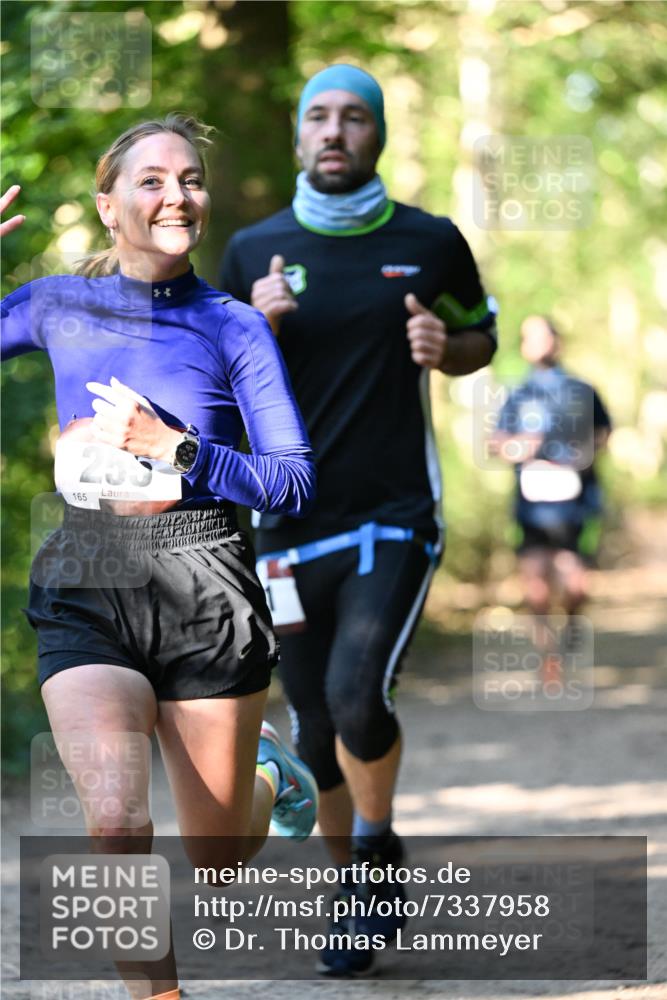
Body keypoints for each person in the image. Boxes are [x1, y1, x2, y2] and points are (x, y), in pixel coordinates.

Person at [0, 114, 319, 1000]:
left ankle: (262, 772)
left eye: (189, 179)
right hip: (87, 576)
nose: (175, 194)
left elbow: (292, 483)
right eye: (150, 180)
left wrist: (175, 448)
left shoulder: (234, 328)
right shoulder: (57, 303)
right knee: (115, 822)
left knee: (217, 861)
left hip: (206, 581)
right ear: (109, 206)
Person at [220, 65, 497, 976]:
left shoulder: (429, 242)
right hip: (289, 526)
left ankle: (373, 847)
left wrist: (446, 348)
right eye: (318, 117)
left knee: (354, 695)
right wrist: (252, 328)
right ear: (299, 135)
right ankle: (355, 887)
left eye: (353, 118)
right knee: (308, 728)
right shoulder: (252, 249)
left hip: (392, 514)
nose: (334, 131)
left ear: (376, 135)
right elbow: (214, 395)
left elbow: (479, 331)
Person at [491, 315, 611, 655]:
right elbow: (498, 442)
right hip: (531, 504)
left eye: (543, 336)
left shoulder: (581, 390)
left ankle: (571, 625)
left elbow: (604, 433)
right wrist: (520, 447)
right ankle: (547, 653)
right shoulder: (517, 394)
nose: (538, 343)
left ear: (557, 341)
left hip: (575, 503)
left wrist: (582, 451)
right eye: (530, 337)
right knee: (535, 582)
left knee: (576, 583)